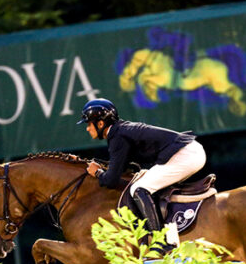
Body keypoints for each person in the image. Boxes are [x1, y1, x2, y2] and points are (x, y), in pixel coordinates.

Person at [79, 98, 206, 239]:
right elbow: (120, 167)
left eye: (89, 124)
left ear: (101, 123)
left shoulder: (117, 137)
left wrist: (97, 172)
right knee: (146, 184)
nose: (87, 128)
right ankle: (170, 231)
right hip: (188, 151)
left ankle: (160, 242)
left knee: (138, 189)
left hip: (186, 155)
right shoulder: (120, 131)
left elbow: (111, 180)